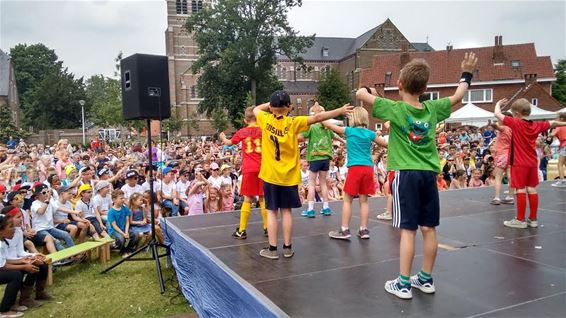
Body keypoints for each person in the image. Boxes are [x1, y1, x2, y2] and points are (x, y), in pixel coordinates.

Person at [357, 52, 478, 299]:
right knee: (429, 228)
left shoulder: (395, 108)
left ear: (400, 85)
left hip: (406, 175)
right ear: (425, 88)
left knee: (408, 230)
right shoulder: (433, 108)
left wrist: (366, 88)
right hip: (428, 175)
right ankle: (425, 278)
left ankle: (402, 283)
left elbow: (361, 95)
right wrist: (466, 72)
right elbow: (458, 95)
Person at [253, 90, 353, 259]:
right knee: (286, 212)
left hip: (270, 175)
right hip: (289, 176)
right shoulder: (294, 122)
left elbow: (256, 109)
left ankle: (271, 249)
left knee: (271, 211)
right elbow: (318, 118)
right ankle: (287, 247)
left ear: (270, 107)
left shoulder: (264, 118)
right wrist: (339, 110)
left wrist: (269, 107)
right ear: (289, 107)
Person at [494, 98, 566, 228]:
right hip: (532, 161)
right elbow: (554, 123)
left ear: (516, 113)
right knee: (531, 188)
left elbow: (497, 114)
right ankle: (533, 219)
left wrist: (498, 104)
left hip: (519, 162)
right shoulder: (536, 125)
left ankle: (520, 220)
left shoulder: (515, 123)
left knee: (520, 189)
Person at [324, 105, 387, 240]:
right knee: (364, 200)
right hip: (368, 168)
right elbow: (385, 144)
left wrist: (319, 116)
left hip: (355, 168)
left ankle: (345, 230)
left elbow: (330, 126)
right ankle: (364, 230)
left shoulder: (349, 131)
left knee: (347, 199)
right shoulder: (370, 133)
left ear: (353, 118)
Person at [219, 106, 267, 239]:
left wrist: (223, 137)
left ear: (245, 120)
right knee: (263, 198)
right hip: (263, 167)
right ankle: (267, 227)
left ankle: (242, 230)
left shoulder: (242, 132)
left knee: (248, 198)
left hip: (249, 168)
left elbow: (229, 143)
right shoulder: (264, 130)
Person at [2, 206, 51, 309]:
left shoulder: (18, 231)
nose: (21, 219)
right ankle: (25, 299)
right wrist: (26, 262)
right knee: (32, 267)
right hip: (9, 263)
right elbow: (4, 260)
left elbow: (20, 251)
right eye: (18, 217)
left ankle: (39, 293)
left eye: (21, 216)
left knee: (42, 264)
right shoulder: (4, 235)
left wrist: (34, 255)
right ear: (9, 219)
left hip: (14, 261)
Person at [299, 102, 343, 218]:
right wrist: (344, 142)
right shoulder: (327, 127)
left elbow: (302, 136)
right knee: (323, 183)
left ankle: (310, 209)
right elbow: (335, 136)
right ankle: (326, 207)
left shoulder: (311, 127)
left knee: (312, 183)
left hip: (314, 157)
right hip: (325, 158)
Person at [0, 213, 26, 318]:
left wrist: (24, 260)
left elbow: (4, 261)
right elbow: (3, 266)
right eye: (11, 227)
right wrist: (24, 265)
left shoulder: (1, 242)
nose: (14, 229)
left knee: (18, 272)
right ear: (1, 232)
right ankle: (4, 311)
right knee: (15, 275)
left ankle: (12, 304)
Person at [107, 189, 138, 257]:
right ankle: (122, 250)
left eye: (123, 198)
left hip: (124, 228)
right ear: (114, 200)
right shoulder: (111, 212)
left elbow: (127, 222)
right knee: (121, 238)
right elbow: (114, 226)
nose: (123, 200)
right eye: (121, 198)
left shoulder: (125, 208)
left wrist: (126, 232)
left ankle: (128, 249)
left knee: (135, 234)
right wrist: (123, 234)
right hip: (114, 231)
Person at [490, 118, 515, 204]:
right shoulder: (512, 129)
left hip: (502, 155)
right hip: (510, 154)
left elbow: (497, 127)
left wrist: (493, 124)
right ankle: (510, 197)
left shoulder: (504, 128)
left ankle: (497, 198)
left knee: (498, 176)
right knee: (510, 176)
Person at [550, 112, 566, 187]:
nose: (556, 119)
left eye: (557, 117)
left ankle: (562, 181)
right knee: (565, 163)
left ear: (561, 119)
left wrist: (551, 133)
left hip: (564, 146)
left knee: (560, 164)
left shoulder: (559, 127)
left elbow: (552, 135)